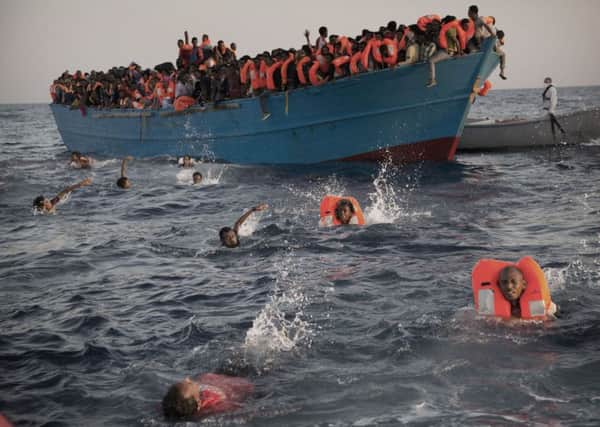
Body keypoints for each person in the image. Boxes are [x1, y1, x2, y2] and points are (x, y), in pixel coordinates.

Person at [472, 257, 558, 320]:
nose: (509, 287)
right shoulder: (487, 308)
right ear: (498, 285)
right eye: (504, 282)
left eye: (514, 282)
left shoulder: (547, 309)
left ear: (523, 284)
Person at [162, 373, 254, 421]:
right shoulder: (219, 406)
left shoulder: (173, 405)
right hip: (242, 382)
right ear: (198, 403)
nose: (187, 378)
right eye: (190, 383)